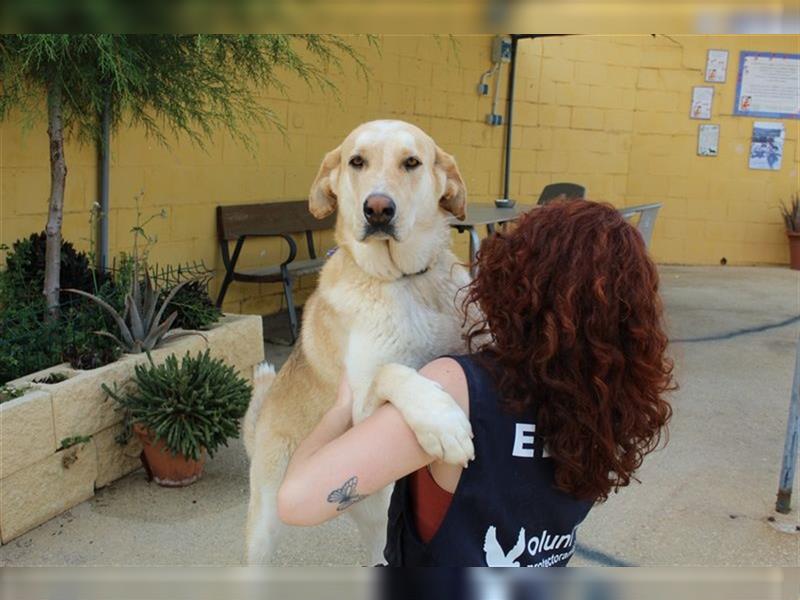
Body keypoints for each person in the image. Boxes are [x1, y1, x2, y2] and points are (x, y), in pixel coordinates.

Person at [277, 200, 674, 567]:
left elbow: (298, 502)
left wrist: (342, 407)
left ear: (514, 281)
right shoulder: (610, 402)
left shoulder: (457, 389)